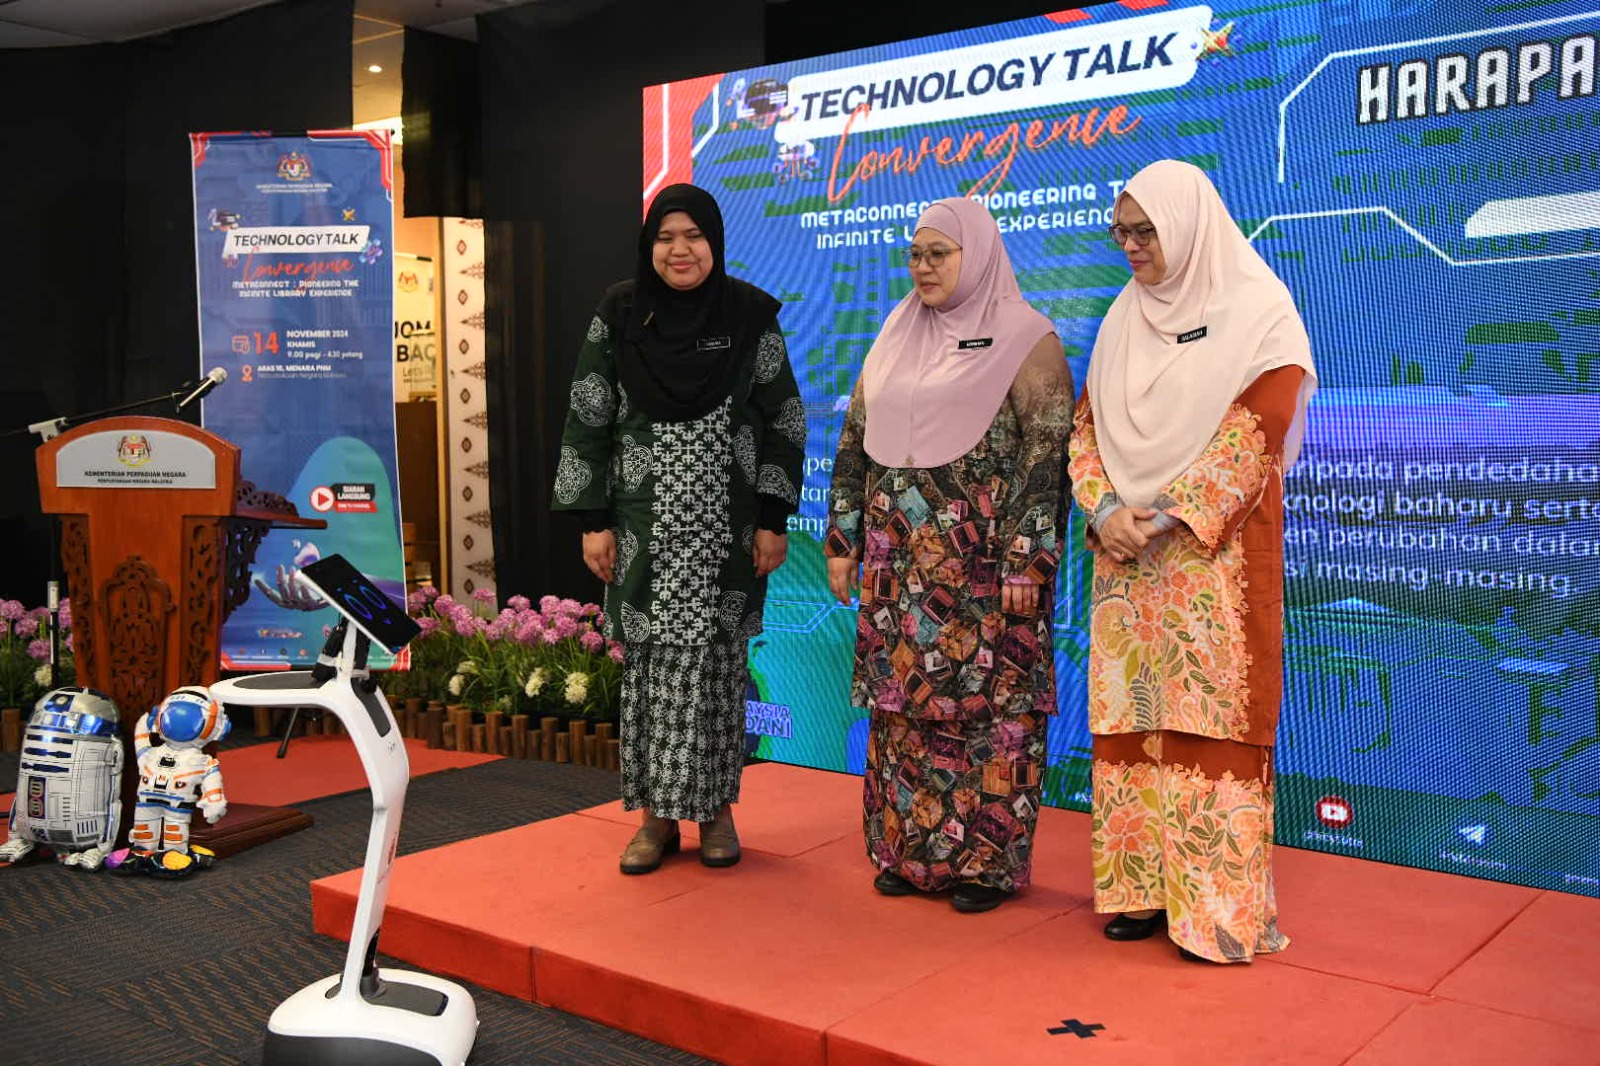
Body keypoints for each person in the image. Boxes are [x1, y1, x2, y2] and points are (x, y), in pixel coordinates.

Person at [1068, 159, 1317, 962]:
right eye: (1122, 233)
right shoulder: (1122, 319)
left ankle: (1213, 913)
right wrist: (1105, 509)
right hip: (1126, 560)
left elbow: (1261, 425)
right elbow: (1087, 428)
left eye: (1146, 232)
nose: (1131, 247)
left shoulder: (1260, 312)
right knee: (1132, 721)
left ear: (1187, 225)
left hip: (1214, 563)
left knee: (1209, 726)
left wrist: (1169, 513)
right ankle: (1140, 891)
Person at [825, 197, 1072, 914]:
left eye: (940, 253)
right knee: (903, 708)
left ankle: (982, 867)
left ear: (979, 254)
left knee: (989, 715)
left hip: (987, 574)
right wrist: (842, 541)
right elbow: (855, 443)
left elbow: (1046, 457)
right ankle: (907, 856)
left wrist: (1029, 558)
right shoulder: (895, 333)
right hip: (896, 567)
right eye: (916, 254)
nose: (924, 267)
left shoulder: (1027, 338)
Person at [553, 184, 805, 875]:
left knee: (720, 675)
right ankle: (655, 819)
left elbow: (783, 421)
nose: (679, 250)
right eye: (665, 237)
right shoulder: (620, 313)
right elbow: (588, 415)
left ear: (714, 243)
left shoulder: (750, 315)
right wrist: (593, 521)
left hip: (728, 534)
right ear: (649, 246)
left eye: (693, 235)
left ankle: (717, 812)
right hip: (645, 536)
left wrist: (773, 517)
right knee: (652, 679)